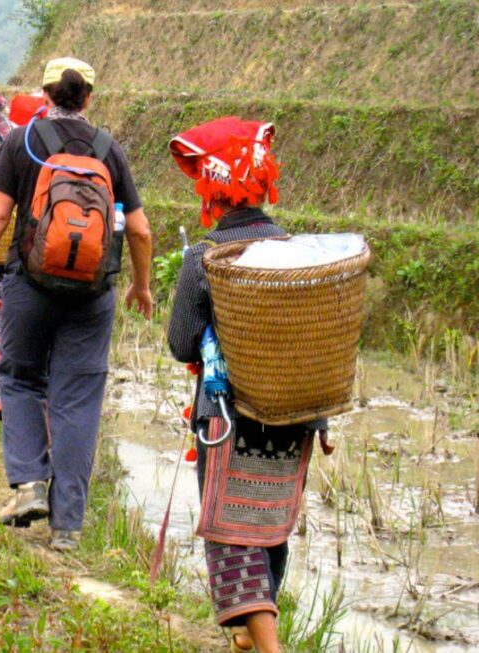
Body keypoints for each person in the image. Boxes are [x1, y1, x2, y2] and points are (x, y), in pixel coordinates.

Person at [0, 58, 154, 551]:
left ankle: (28, 485)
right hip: (93, 292)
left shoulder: (23, 141)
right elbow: (141, 229)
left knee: (19, 377)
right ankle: (68, 527)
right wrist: (141, 285)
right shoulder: (109, 150)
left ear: (45, 94)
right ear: (88, 99)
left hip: (30, 286)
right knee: (78, 401)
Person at [166, 116, 317, 653]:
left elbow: (182, 343)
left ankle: (269, 646)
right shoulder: (299, 257)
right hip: (295, 412)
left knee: (232, 531)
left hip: (226, 415)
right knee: (270, 523)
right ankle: (249, 639)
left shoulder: (205, 257)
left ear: (213, 190)